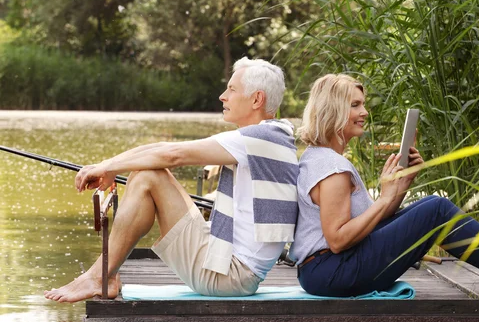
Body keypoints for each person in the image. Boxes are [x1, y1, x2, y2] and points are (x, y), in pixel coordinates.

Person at [290, 73, 479, 297]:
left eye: (363, 104)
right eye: (355, 105)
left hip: (330, 269)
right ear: (333, 111)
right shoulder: (331, 167)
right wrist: (383, 199)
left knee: (427, 206)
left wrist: (400, 189)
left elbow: (367, 227)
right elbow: (339, 240)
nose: (365, 112)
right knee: (435, 209)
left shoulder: (324, 158)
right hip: (331, 272)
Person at [44, 57, 299, 302]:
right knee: (145, 173)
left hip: (229, 276)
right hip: (231, 270)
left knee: (148, 177)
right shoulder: (271, 136)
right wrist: (110, 167)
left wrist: (108, 166)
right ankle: (104, 275)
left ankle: (98, 276)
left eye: (231, 89)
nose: (223, 96)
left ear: (257, 99)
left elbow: (173, 155)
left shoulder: (260, 138)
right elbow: (165, 149)